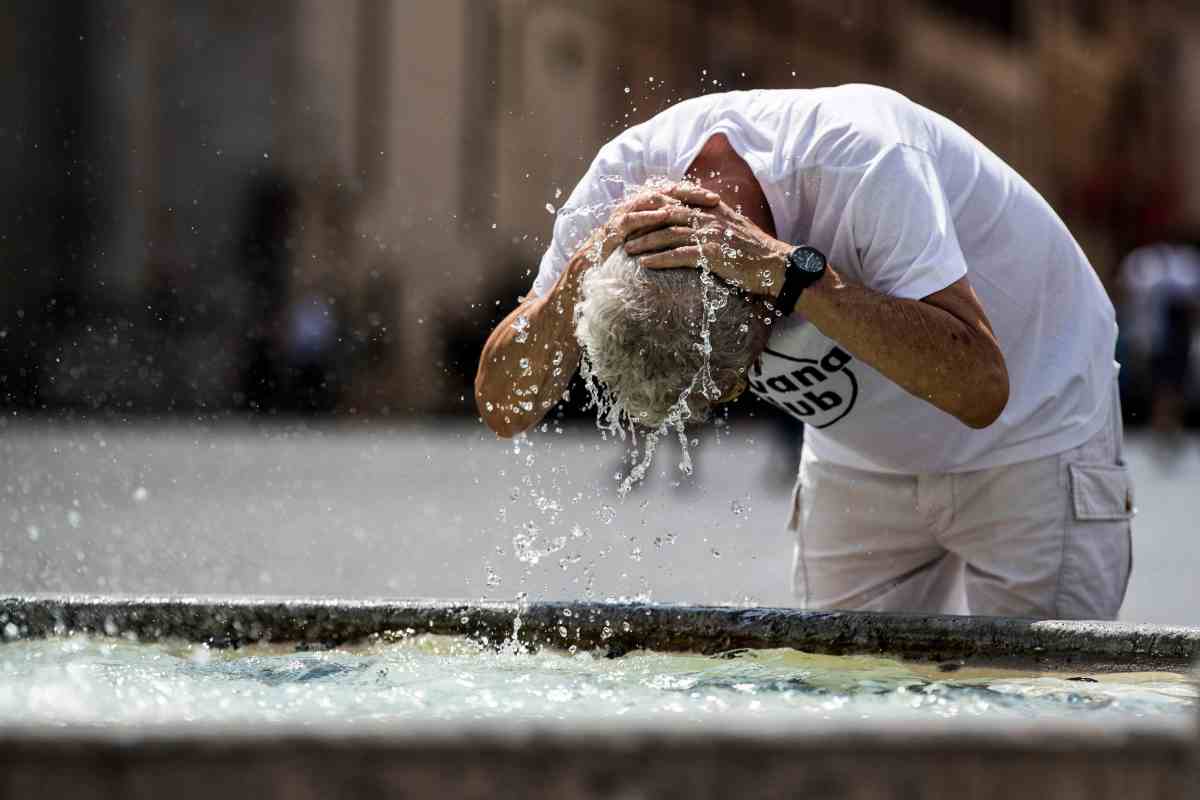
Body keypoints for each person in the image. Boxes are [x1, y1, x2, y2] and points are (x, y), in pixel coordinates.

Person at [475, 84, 1133, 620]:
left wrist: (794, 271)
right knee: (842, 708)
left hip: (1034, 425)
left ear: (764, 310)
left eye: (732, 385)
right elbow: (504, 408)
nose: (734, 400)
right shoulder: (617, 190)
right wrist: (576, 277)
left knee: (1044, 710)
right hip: (860, 452)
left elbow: (982, 389)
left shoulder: (863, 160)